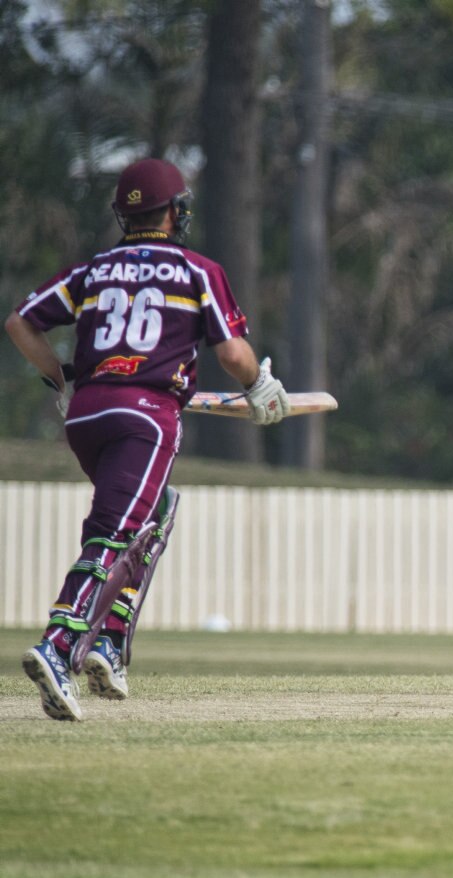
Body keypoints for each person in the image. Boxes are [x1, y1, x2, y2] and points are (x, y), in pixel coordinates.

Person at [5, 157, 291, 721]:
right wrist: (261, 387)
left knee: (154, 514)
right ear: (175, 212)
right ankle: (58, 647)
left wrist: (62, 380)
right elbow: (232, 353)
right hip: (147, 416)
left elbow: (20, 322)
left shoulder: (93, 270)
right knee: (112, 535)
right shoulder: (195, 271)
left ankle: (108, 643)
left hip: (86, 415)